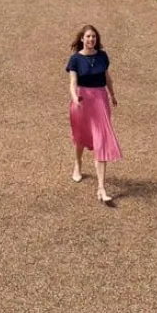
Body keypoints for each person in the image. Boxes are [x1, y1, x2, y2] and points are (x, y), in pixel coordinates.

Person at [66, 24, 123, 205]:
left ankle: (101, 188)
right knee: (81, 137)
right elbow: (72, 82)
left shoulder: (102, 56)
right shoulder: (75, 59)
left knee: (102, 140)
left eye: (94, 37)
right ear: (82, 39)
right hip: (82, 101)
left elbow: (107, 77)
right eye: (88, 36)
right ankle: (78, 164)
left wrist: (112, 94)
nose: (91, 40)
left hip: (100, 100)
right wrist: (75, 98)